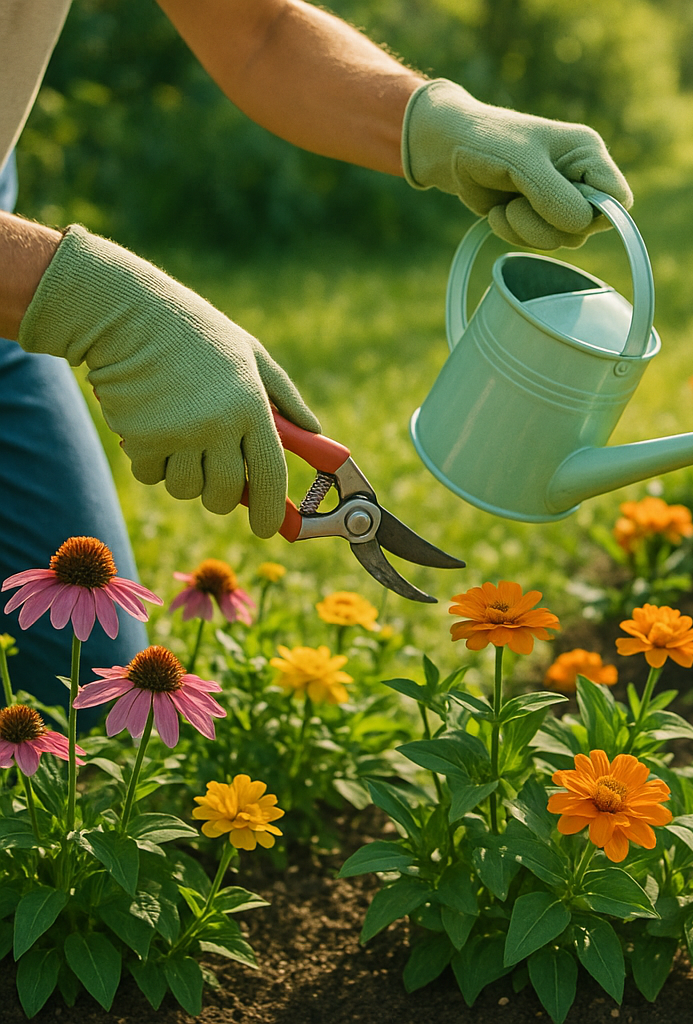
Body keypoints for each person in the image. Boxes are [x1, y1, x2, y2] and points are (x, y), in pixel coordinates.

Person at [0, 0, 633, 703]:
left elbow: (257, 30)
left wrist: (435, 121)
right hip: (26, 273)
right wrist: (100, 308)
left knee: (82, 690)